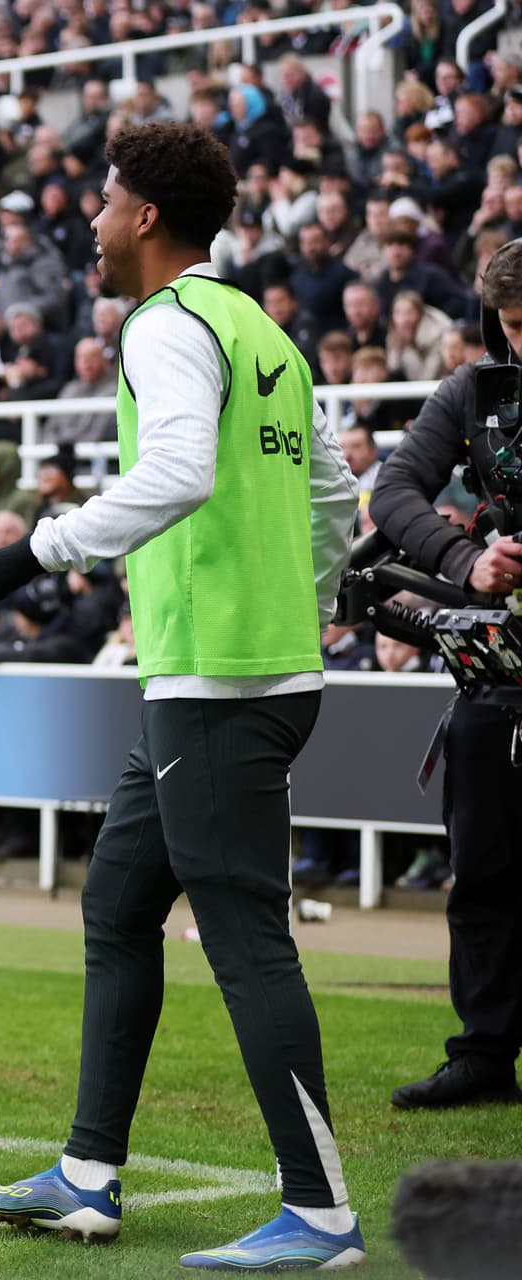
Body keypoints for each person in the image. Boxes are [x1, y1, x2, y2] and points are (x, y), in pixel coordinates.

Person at [0, 123, 364, 1270]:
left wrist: (26, 553)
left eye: (102, 198)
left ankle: (323, 1211)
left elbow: (179, 471)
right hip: (232, 667)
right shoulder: (260, 328)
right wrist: (306, 605)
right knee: (119, 906)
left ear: (142, 216)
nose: (89, 219)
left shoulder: (166, 325)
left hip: (218, 680)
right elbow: (334, 495)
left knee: (247, 940)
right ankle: (88, 1173)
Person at [369, 237, 522, 1112]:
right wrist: (467, 561)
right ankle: (485, 1056)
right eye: (513, 326)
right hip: (494, 672)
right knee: (483, 874)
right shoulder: (472, 391)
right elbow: (392, 495)